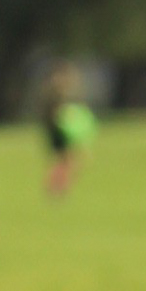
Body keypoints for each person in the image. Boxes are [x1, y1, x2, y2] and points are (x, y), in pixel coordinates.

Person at [42, 65, 96, 198]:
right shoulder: (56, 96)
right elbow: (57, 115)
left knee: (65, 160)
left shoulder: (55, 95)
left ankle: (58, 186)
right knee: (67, 160)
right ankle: (57, 186)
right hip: (60, 131)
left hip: (59, 130)